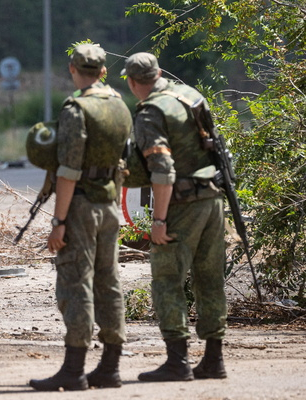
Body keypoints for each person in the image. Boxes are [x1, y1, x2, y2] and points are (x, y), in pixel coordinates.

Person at [29, 43, 132, 391]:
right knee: (110, 283)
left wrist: (59, 223)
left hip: (82, 207)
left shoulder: (76, 108)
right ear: (103, 71)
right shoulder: (119, 105)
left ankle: (73, 371)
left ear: (73, 70)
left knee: (77, 284)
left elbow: (69, 170)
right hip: (110, 204)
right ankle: (111, 367)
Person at [122, 52, 228, 381]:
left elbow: (162, 170)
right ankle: (213, 360)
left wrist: (158, 221)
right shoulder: (191, 95)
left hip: (181, 204)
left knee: (167, 280)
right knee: (210, 279)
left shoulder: (150, 110)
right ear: (159, 72)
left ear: (131, 81)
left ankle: (177, 362)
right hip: (212, 199)